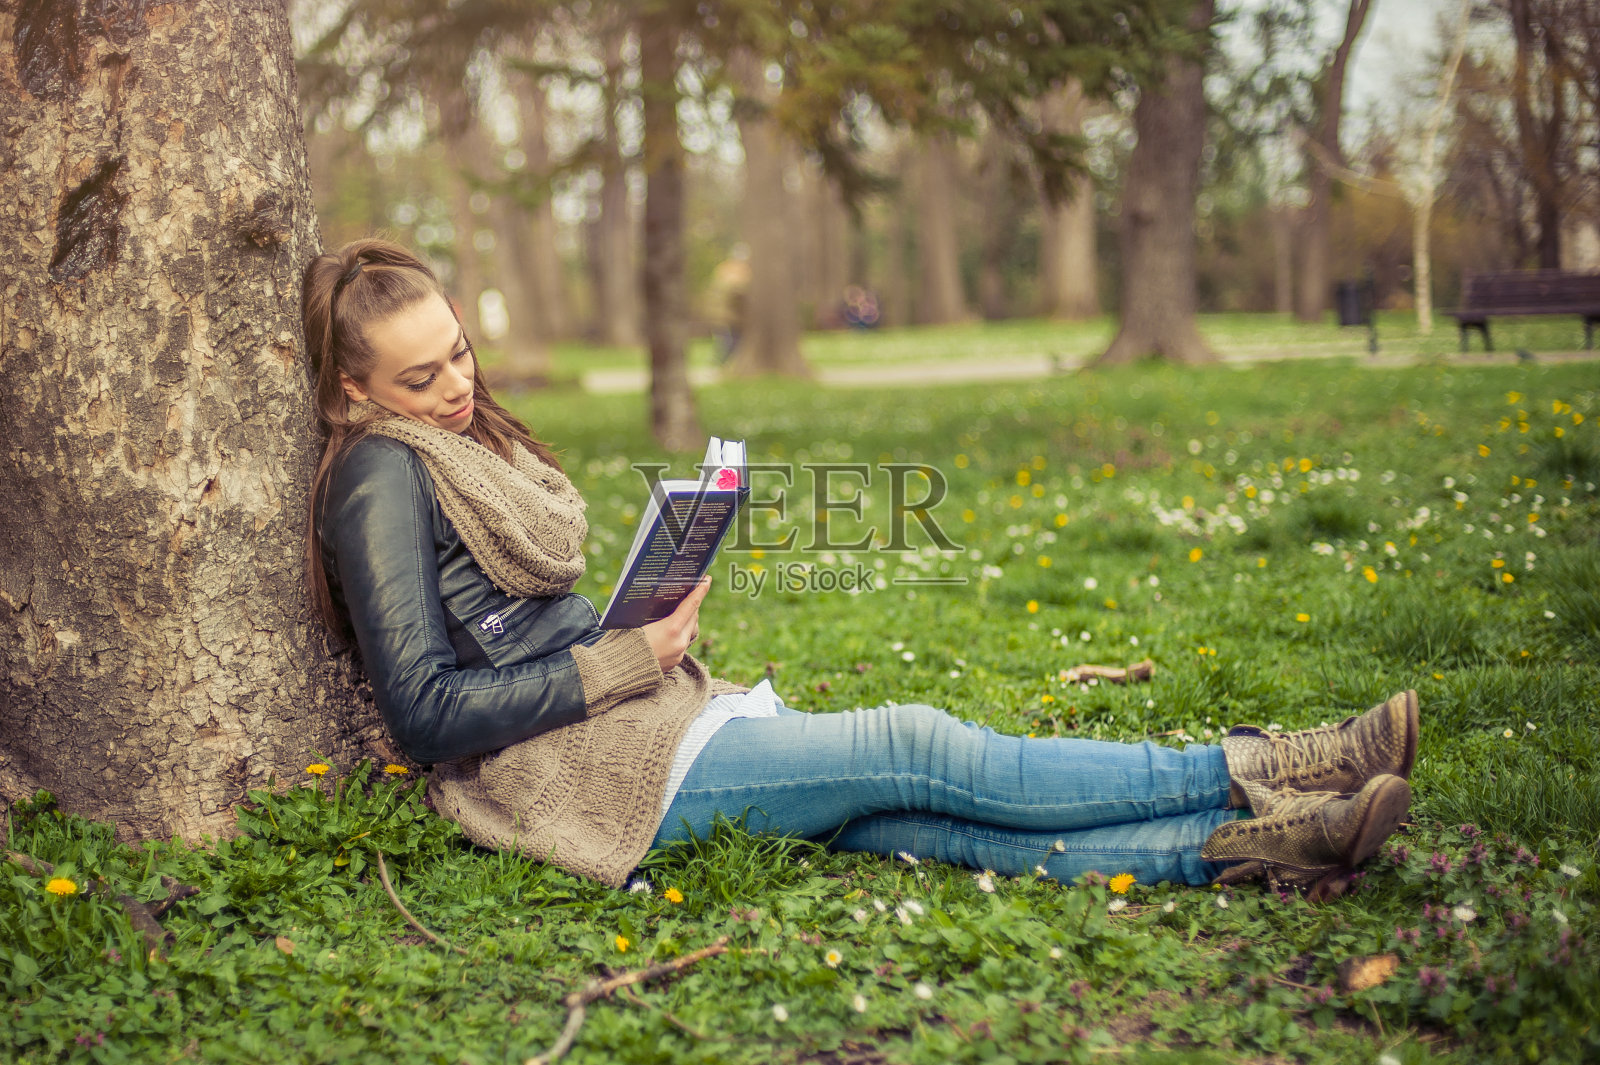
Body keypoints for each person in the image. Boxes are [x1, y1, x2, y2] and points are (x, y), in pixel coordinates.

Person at [302, 238, 1418, 897]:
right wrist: (626, 658)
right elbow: (424, 714)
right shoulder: (376, 480)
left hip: (635, 717)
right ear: (355, 394)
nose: (456, 385)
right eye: (418, 378)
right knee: (911, 745)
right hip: (573, 772)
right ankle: (1269, 761)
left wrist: (637, 618)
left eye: (458, 351)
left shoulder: (452, 444)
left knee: (914, 826)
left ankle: (1266, 843)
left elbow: (514, 615)